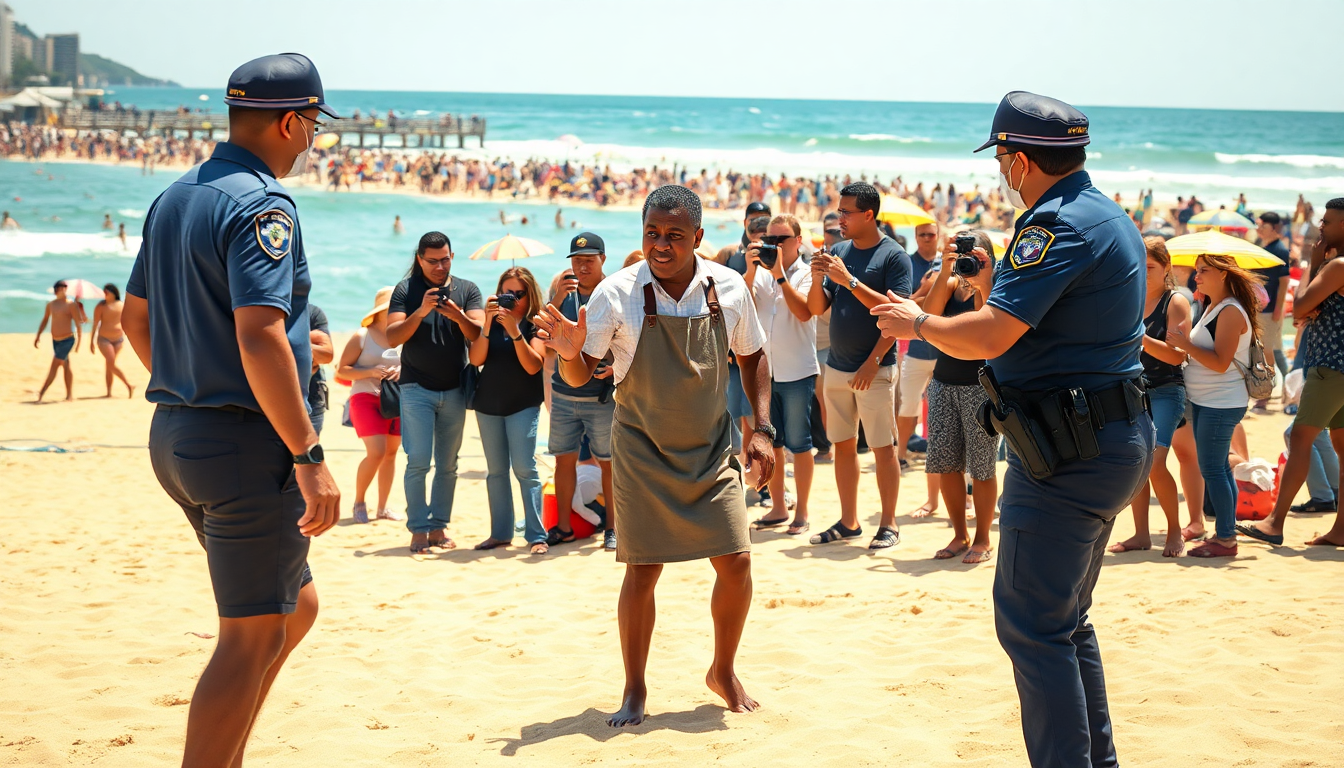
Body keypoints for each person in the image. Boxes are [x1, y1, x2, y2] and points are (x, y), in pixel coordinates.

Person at [871, 91, 1153, 767]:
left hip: (1067, 452)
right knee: (1062, 622)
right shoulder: (1107, 214)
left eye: (1002, 157)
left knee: (1031, 627)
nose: (1001, 170)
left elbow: (994, 332)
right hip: (1104, 436)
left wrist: (919, 325)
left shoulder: (1052, 225)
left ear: (1021, 160)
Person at [120, 53, 342, 766]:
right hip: (246, 446)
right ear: (288, 121)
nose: (312, 140)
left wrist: (193, 383)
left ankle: (227, 752)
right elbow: (259, 332)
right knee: (246, 636)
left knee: (293, 608)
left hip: (179, 439)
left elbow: (134, 321)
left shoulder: (177, 195)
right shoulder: (263, 204)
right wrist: (308, 456)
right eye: (310, 125)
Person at [533, 184, 775, 727]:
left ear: (698, 237)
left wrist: (762, 428)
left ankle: (723, 670)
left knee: (736, 561)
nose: (661, 245)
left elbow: (754, 355)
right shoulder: (616, 293)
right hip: (641, 449)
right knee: (643, 572)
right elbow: (580, 371)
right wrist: (569, 354)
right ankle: (635, 689)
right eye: (651, 234)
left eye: (673, 235)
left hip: (711, 450)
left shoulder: (729, 287)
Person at [806, 182, 911, 549]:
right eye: (839, 211)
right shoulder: (839, 251)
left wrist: (873, 362)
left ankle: (889, 524)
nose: (840, 218)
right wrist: (820, 275)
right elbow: (816, 309)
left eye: (846, 212)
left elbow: (895, 313)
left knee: (883, 447)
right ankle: (849, 522)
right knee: (843, 446)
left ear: (868, 214)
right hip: (836, 367)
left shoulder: (894, 257)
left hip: (875, 368)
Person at [1240, 197, 1344, 547]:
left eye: (1327, 222)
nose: (1320, 228)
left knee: (1301, 438)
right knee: (1342, 446)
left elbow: (1298, 308)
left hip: (1331, 365)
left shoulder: (1337, 266)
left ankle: (1274, 523)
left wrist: (1314, 264)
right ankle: (1340, 528)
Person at [386, 231, 484, 553]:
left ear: (452, 256)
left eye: (445, 259)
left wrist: (456, 314)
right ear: (419, 259)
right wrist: (422, 310)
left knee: (448, 463)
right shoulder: (406, 290)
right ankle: (417, 529)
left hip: (455, 388)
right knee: (417, 461)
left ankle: (438, 528)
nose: (440, 267)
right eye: (432, 261)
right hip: (415, 388)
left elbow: (477, 333)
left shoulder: (467, 289)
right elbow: (392, 338)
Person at [1167, 253, 1260, 558]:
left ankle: (1225, 539)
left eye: (1203, 270)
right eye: (1196, 271)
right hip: (1210, 400)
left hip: (1221, 402)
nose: (1197, 276)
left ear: (1223, 274)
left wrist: (1186, 346)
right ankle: (1226, 532)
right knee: (1218, 468)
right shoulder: (1215, 306)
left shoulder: (1230, 310)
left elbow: (1221, 363)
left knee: (1212, 468)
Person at [1108, 237, 1192, 558]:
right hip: (1131, 390)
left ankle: (1174, 530)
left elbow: (1176, 356)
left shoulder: (1176, 302)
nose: (1142, 273)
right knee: (1136, 465)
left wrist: (1140, 337)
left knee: (1156, 463)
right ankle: (1141, 534)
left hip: (1167, 389)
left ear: (1166, 267)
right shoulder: (1129, 297)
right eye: (1138, 266)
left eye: (1150, 267)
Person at [919, 231, 998, 564]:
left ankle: (982, 537)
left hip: (979, 385)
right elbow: (928, 314)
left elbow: (986, 321)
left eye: (973, 253)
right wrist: (945, 265)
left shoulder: (994, 284)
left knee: (982, 467)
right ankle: (959, 534)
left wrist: (983, 277)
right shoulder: (950, 284)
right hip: (943, 381)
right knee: (946, 465)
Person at [745, 213, 818, 536]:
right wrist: (750, 271)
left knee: (800, 446)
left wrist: (779, 277)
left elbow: (804, 312)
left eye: (781, 239)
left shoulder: (805, 273)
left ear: (798, 242)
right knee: (770, 443)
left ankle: (801, 512)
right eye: (768, 239)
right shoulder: (758, 274)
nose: (773, 245)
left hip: (798, 371)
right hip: (766, 373)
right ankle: (778, 507)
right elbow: (741, 309)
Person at [545, 232, 618, 552]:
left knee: (609, 463)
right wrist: (557, 299)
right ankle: (563, 527)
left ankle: (613, 529)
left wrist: (614, 367)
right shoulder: (563, 293)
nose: (582, 266)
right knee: (563, 461)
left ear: (603, 259)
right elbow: (544, 338)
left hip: (601, 397)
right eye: (576, 261)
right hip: (563, 394)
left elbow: (628, 337)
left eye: (589, 260)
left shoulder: (613, 292)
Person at [469, 267, 549, 554]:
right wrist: (489, 324)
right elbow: (476, 358)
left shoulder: (535, 325)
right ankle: (500, 534)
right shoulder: (490, 323)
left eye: (519, 294)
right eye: (507, 293)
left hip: (523, 404)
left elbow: (533, 365)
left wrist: (515, 331)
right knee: (497, 471)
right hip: (488, 405)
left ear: (531, 296)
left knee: (525, 468)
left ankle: (537, 536)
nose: (512, 299)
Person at [336, 287, 404, 524]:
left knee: (391, 453)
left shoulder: (404, 335)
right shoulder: (362, 335)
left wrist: (401, 370)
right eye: (394, 306)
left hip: (396, 399)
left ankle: (383, 508)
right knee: (376, 452)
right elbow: (341, 370)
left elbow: (416, 366)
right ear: (381, 309)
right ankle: (359, 501)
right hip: (365, 396)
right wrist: (371, 371)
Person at [901, 221, 944, 517]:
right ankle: (899, 454)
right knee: (907, 404)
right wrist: (925, 289)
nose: (927, 239)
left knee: (939, 412)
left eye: (931, 234)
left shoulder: (949, 265)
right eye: (922, 235)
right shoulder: (908, 263)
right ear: (915, 237)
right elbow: (904, 304)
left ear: (938, 236)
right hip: (918, 348)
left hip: (944, 350)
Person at [1251, 211, 1292, 412]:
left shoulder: (1279, 250)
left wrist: (1278, 308)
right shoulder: (1265, 247)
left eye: (1262, 226)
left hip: (1269, 309)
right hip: (1262, 308)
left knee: (1266, 352)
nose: (1258, 229)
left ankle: (1265, 396)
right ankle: (1291, 387)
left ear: (1273, 228)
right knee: (1274, 350)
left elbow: (1284, 282)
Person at [34, 280, 87, 403]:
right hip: (55, 341)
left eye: (64, 288)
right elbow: (45, 320)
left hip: (67, 340)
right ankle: (69, 396)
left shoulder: (71, 305)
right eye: (60, 288)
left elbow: (78, 324)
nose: (62, 290)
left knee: (54, 366)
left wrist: (79, 343)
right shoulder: (51, 305)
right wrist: (38, 336)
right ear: (56, 290)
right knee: (66, 365)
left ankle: (41, 393)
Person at [89, 283, 135, 398]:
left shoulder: (121, 305)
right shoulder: (101, 306)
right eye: (104, 292)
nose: (105, 295)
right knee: (111, 362)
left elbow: (127, 321)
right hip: (104, 339)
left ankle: (109, 392)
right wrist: (91, 341)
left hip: (118, 340)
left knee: (110, 364)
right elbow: (95, 324)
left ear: (113, 293)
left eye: (107, 292)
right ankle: (128, 385)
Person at [307, 303, 333, 435]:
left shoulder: (312, 312)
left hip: (312, 393)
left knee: (309, 451)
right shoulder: (264, 312)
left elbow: (327, 355)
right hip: (269, 393)